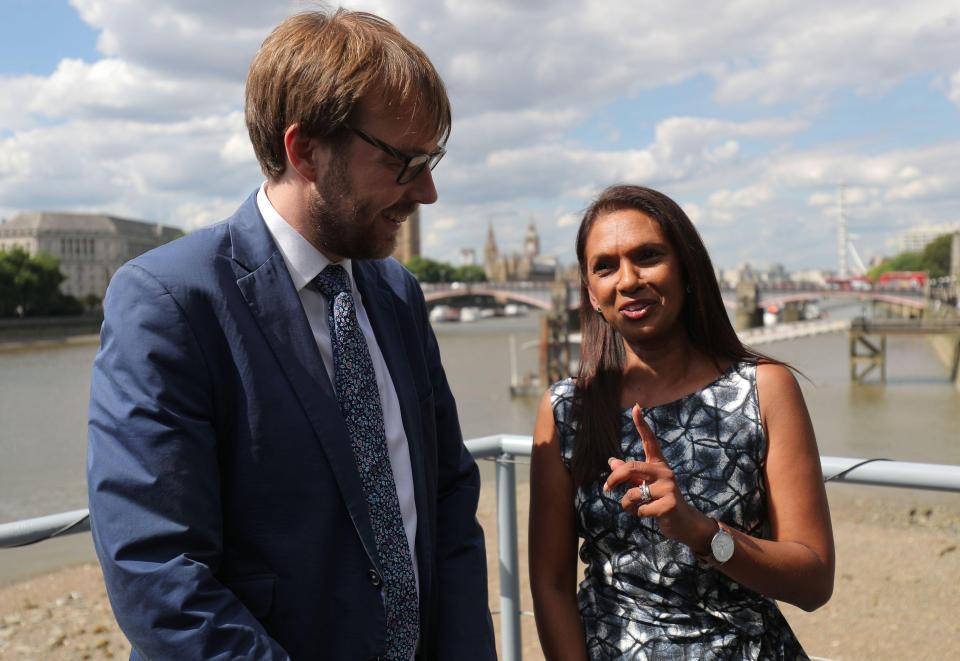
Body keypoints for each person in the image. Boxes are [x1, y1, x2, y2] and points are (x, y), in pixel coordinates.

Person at [87, 9, 496, 661]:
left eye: (432, 158)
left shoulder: (397, 293)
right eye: (405, 161)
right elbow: (158, 571)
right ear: (305, 150)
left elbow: (448, 502)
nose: (428, 191)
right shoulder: (168, 301)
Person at [529, 185, 834, 659]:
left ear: (687, 268)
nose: (628, 280)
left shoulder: (763, 389)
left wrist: (699, 530)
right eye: (605, 266)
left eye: (648, 256)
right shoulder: (567, 409)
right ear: (591, 293)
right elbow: (550, 585)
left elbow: (814, 581)